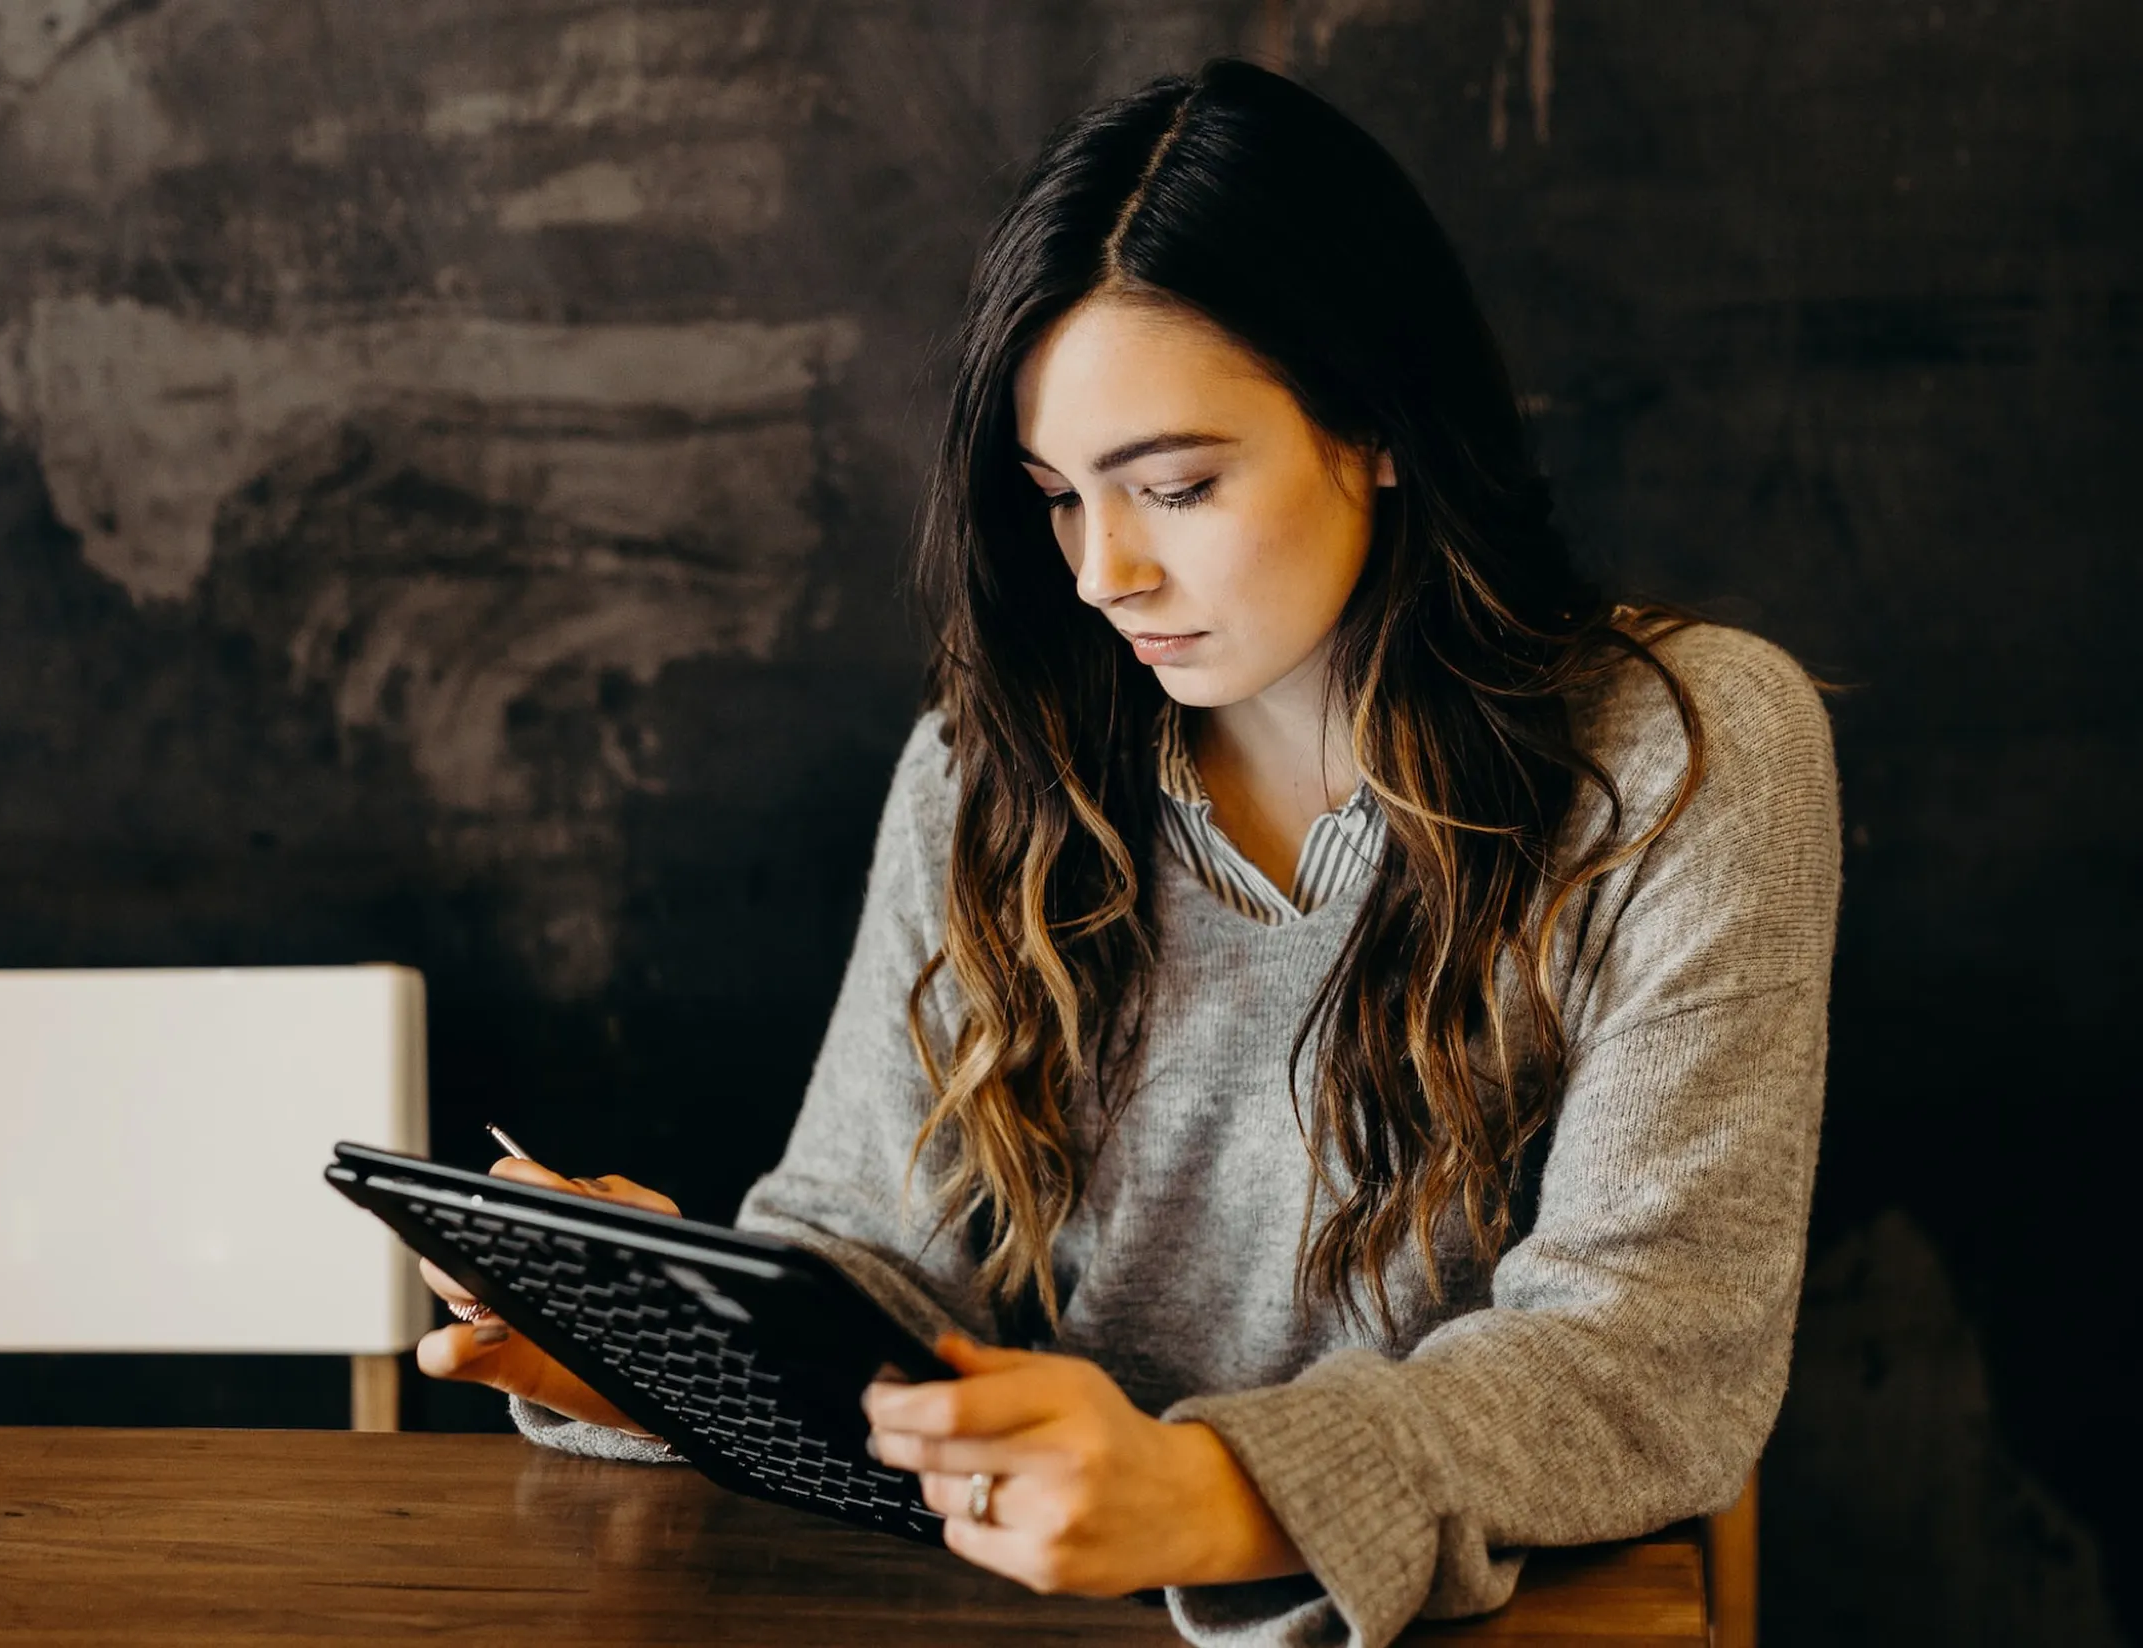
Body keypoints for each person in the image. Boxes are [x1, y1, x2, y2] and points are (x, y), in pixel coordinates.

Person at [413, 56, 1839, 1648]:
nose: (1104, 574)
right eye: (1056, 499)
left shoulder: (1682, 752)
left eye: (1175, 487)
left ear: (1381, 424)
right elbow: (878, 1265)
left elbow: (1651, 1354)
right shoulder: (987, 768)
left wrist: (1208, 1490)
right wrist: (665, 1350)